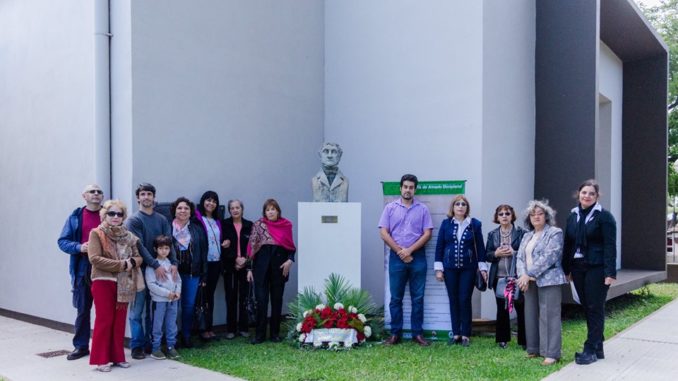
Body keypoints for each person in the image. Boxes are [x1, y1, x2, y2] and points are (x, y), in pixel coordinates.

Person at [563, 179, 617, 365]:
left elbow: (610, 245)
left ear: (597, 196)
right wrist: (566, 268)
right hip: (577, 267)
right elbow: (568, 243)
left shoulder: (604, 217)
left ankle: (590, 349)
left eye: (591, 193)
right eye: (584, 192)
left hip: (597, 267)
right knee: (587, 307)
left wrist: (610, 272)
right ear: (578, 194)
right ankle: (598, 346)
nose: (587, 196)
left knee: (595, 307)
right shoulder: (573, 216)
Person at [87, 200, 142, 372]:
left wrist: (132, 262)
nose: (116, 217)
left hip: (125, 282)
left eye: (119, 214)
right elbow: (95, 259)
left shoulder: (129, 236)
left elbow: (138, 257)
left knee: (119, 322)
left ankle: (118, 357)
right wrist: (123, 265)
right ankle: (100, 359)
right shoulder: (96, 233)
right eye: (112, 213)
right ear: (104, 215)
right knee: (104, 320)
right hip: (103, 281)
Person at [379, 174, 433, 346]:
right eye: (405, 187)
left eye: (411, 187)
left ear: (415, 189)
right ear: (400, 188)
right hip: (396, 257)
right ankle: (395, 334)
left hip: (417, 256)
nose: (408, 190)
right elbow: (383, 232)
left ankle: (417, 334)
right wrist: (400, 251)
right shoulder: (390, 208)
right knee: (396, 298)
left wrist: (409, 250)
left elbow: (427, 233)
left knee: (418, 298)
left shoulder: (423, 209)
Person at [125, 183, 177, 359]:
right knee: (137, 311)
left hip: (162, 271)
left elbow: (169, 242)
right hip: (140, 271)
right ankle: (137, 346)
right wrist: (155, 265)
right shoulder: (133, 220)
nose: (146, 197)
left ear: (154, 197)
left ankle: (151, 344)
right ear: (138, 198)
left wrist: (175, 262)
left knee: (154, 310)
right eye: (143, 194)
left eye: (149, 194)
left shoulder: (161, 219)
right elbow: (138, 245)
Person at [516, 200, 567, 366]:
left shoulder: (554, 232)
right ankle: (533, 349)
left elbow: (550, 257)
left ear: (546, 216)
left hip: (549, 280)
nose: (536, 217)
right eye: (533, 214)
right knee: (530, 313)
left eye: (540, 214)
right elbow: (519, 258)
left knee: (549, 316)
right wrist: (523, 274)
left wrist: (529, 274)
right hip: (528, 281)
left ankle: (551, 353)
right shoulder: (526, 235)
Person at [434, 195, 488, 347]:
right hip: (449, 268)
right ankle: (456, 333)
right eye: (457, 204)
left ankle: (466, 334)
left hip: (468, 269)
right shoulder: (446, 224)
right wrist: (439, 269)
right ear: (453, 207)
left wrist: (482, 268)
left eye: (463, 204)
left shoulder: (474, 224)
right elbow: (440, 247)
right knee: (453, 299)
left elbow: (480, 247)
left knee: (464, 299)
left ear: (467, 208)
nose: (460, 206)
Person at [57, 184, 103, 361]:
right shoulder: (75, 217)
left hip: (104, 269)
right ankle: (81, 346)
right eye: (92, 191)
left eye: (99, 192)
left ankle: (102, 347)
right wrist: (79, 247)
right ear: (84, 196)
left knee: (104, 311)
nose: (96, 194)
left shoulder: (108, 215)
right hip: (83, 268)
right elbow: (62, 241)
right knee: (83, 310)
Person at [246, 199, 296, 344]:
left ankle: (275, 334)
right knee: (261, 302)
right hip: (260, 270)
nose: (270, 212)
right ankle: (260, 335)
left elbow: (291, 248)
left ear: (278, 211)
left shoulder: (286, 226)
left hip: (279, 269)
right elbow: (251, 248)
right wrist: (249, 268)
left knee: (276, 301)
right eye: (268, 210)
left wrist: (290, 260)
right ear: (264, 212)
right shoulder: (259, 225)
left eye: (273, 209)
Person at [486, 204, 526, 349]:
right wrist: (496, 254)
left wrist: (513, 251)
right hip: (499, 277)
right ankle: (502, 340)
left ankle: (524, 340)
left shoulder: (521, 233)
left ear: (512, 216)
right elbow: (487, 255)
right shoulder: (492, 234)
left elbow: (526, 253)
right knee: (502, 309)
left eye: (507, 213)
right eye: (501, 214)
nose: (504, 216)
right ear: (497, 217)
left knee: (521, 307)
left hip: (516, 277)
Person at [171, 196, 208, 348]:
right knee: (172, 307)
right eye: (179, 208)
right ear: (174, 210)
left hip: (192, 274)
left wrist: (204, 274)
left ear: (191, 211)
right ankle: (171, 338)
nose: (183, 210)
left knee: (188, 306)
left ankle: (186, 336)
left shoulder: (197, 228)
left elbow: (204, 252)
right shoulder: (167, 227)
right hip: (171, 274)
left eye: (186, 208)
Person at [195, 190, 228, 341]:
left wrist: (225, 242)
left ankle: (209, 327)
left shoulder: (217, 221)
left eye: (214, 201)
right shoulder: (197, 218)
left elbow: (220, 238)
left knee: (210, 296)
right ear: (203, 202)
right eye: (208, 200)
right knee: (201, 295)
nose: (211, 203)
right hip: (203, 263)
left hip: (215, 262)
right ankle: (200, 329)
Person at [146, 235, 181, 361]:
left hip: (173, 301)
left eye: (166, 248)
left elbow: (178, 280)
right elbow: (151, 285)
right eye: (161, 248)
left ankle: (171, 347)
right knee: (157, 325)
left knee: (171, 324)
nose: (164, 251)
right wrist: (167, 293)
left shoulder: (172, 265)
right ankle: (156, 348)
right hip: (159, 301)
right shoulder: (152, 266)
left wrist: (177, 291)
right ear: (155, 249)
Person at [222, 199, 253, 338]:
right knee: (231, 297)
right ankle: (231, 329)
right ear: (229, 211)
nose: (235, 210)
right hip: (230, 265)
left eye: (237, 207)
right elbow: (222, 246)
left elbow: (253, 246)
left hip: (246, 266)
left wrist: (245, 261)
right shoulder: (224, 224)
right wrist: (235, 258)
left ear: (242, 209)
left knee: (245, 297)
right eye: (232, 208)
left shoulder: (249, 225)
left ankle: (244, 327)